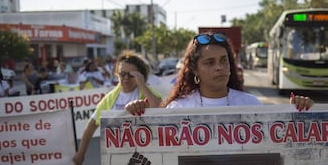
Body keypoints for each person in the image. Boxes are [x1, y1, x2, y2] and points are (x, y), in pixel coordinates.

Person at [125, 32, 312, 114]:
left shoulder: (251, 104)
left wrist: (299, 111)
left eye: (224, 61)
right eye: (209, 62)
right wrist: (136, 114)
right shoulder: (178, 109)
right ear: (194, 69)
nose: (219, 67)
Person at [73, 50, 163, 165]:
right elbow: (92, 124)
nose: (126, 78)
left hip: (145, 158)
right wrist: (81, 154)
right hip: (117, 161)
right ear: (116, 73)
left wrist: (141, 84)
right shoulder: (110, 98)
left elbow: (159, 107)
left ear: (140, 75)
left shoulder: (146, 93)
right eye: (122, 74)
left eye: (131, 75)